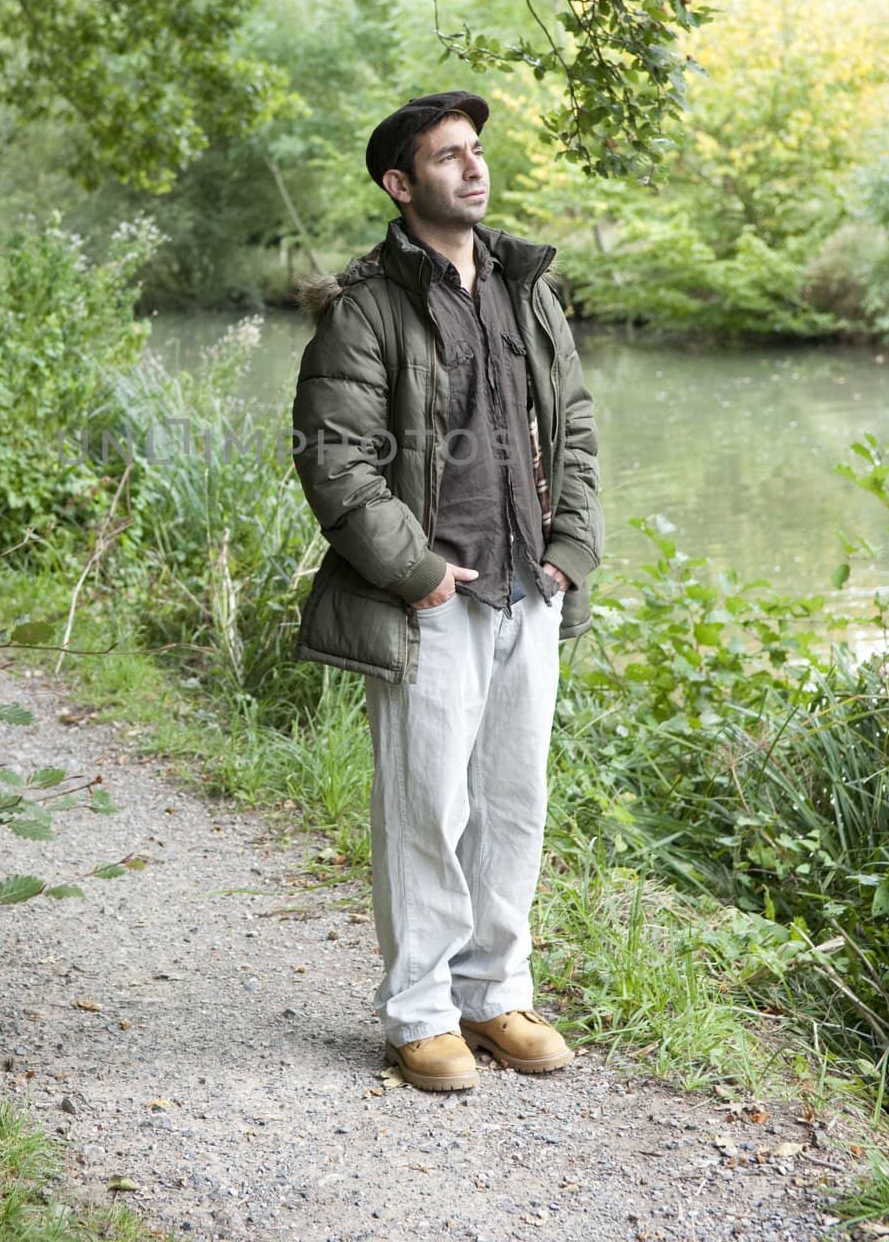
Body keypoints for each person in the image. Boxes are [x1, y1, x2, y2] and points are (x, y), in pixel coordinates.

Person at [290, 90, 603, 1093]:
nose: (472, 169)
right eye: (446, 157)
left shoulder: (529, 287)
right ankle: (419, 1012)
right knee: (424, 804)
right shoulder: (369, 306)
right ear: (399, 182)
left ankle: (493, 995)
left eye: (476, 151)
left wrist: (572, 549)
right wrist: (415, 571)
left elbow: (578, 429)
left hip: (532, 586)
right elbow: (335, 459)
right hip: (431, 596)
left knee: (513, 801)